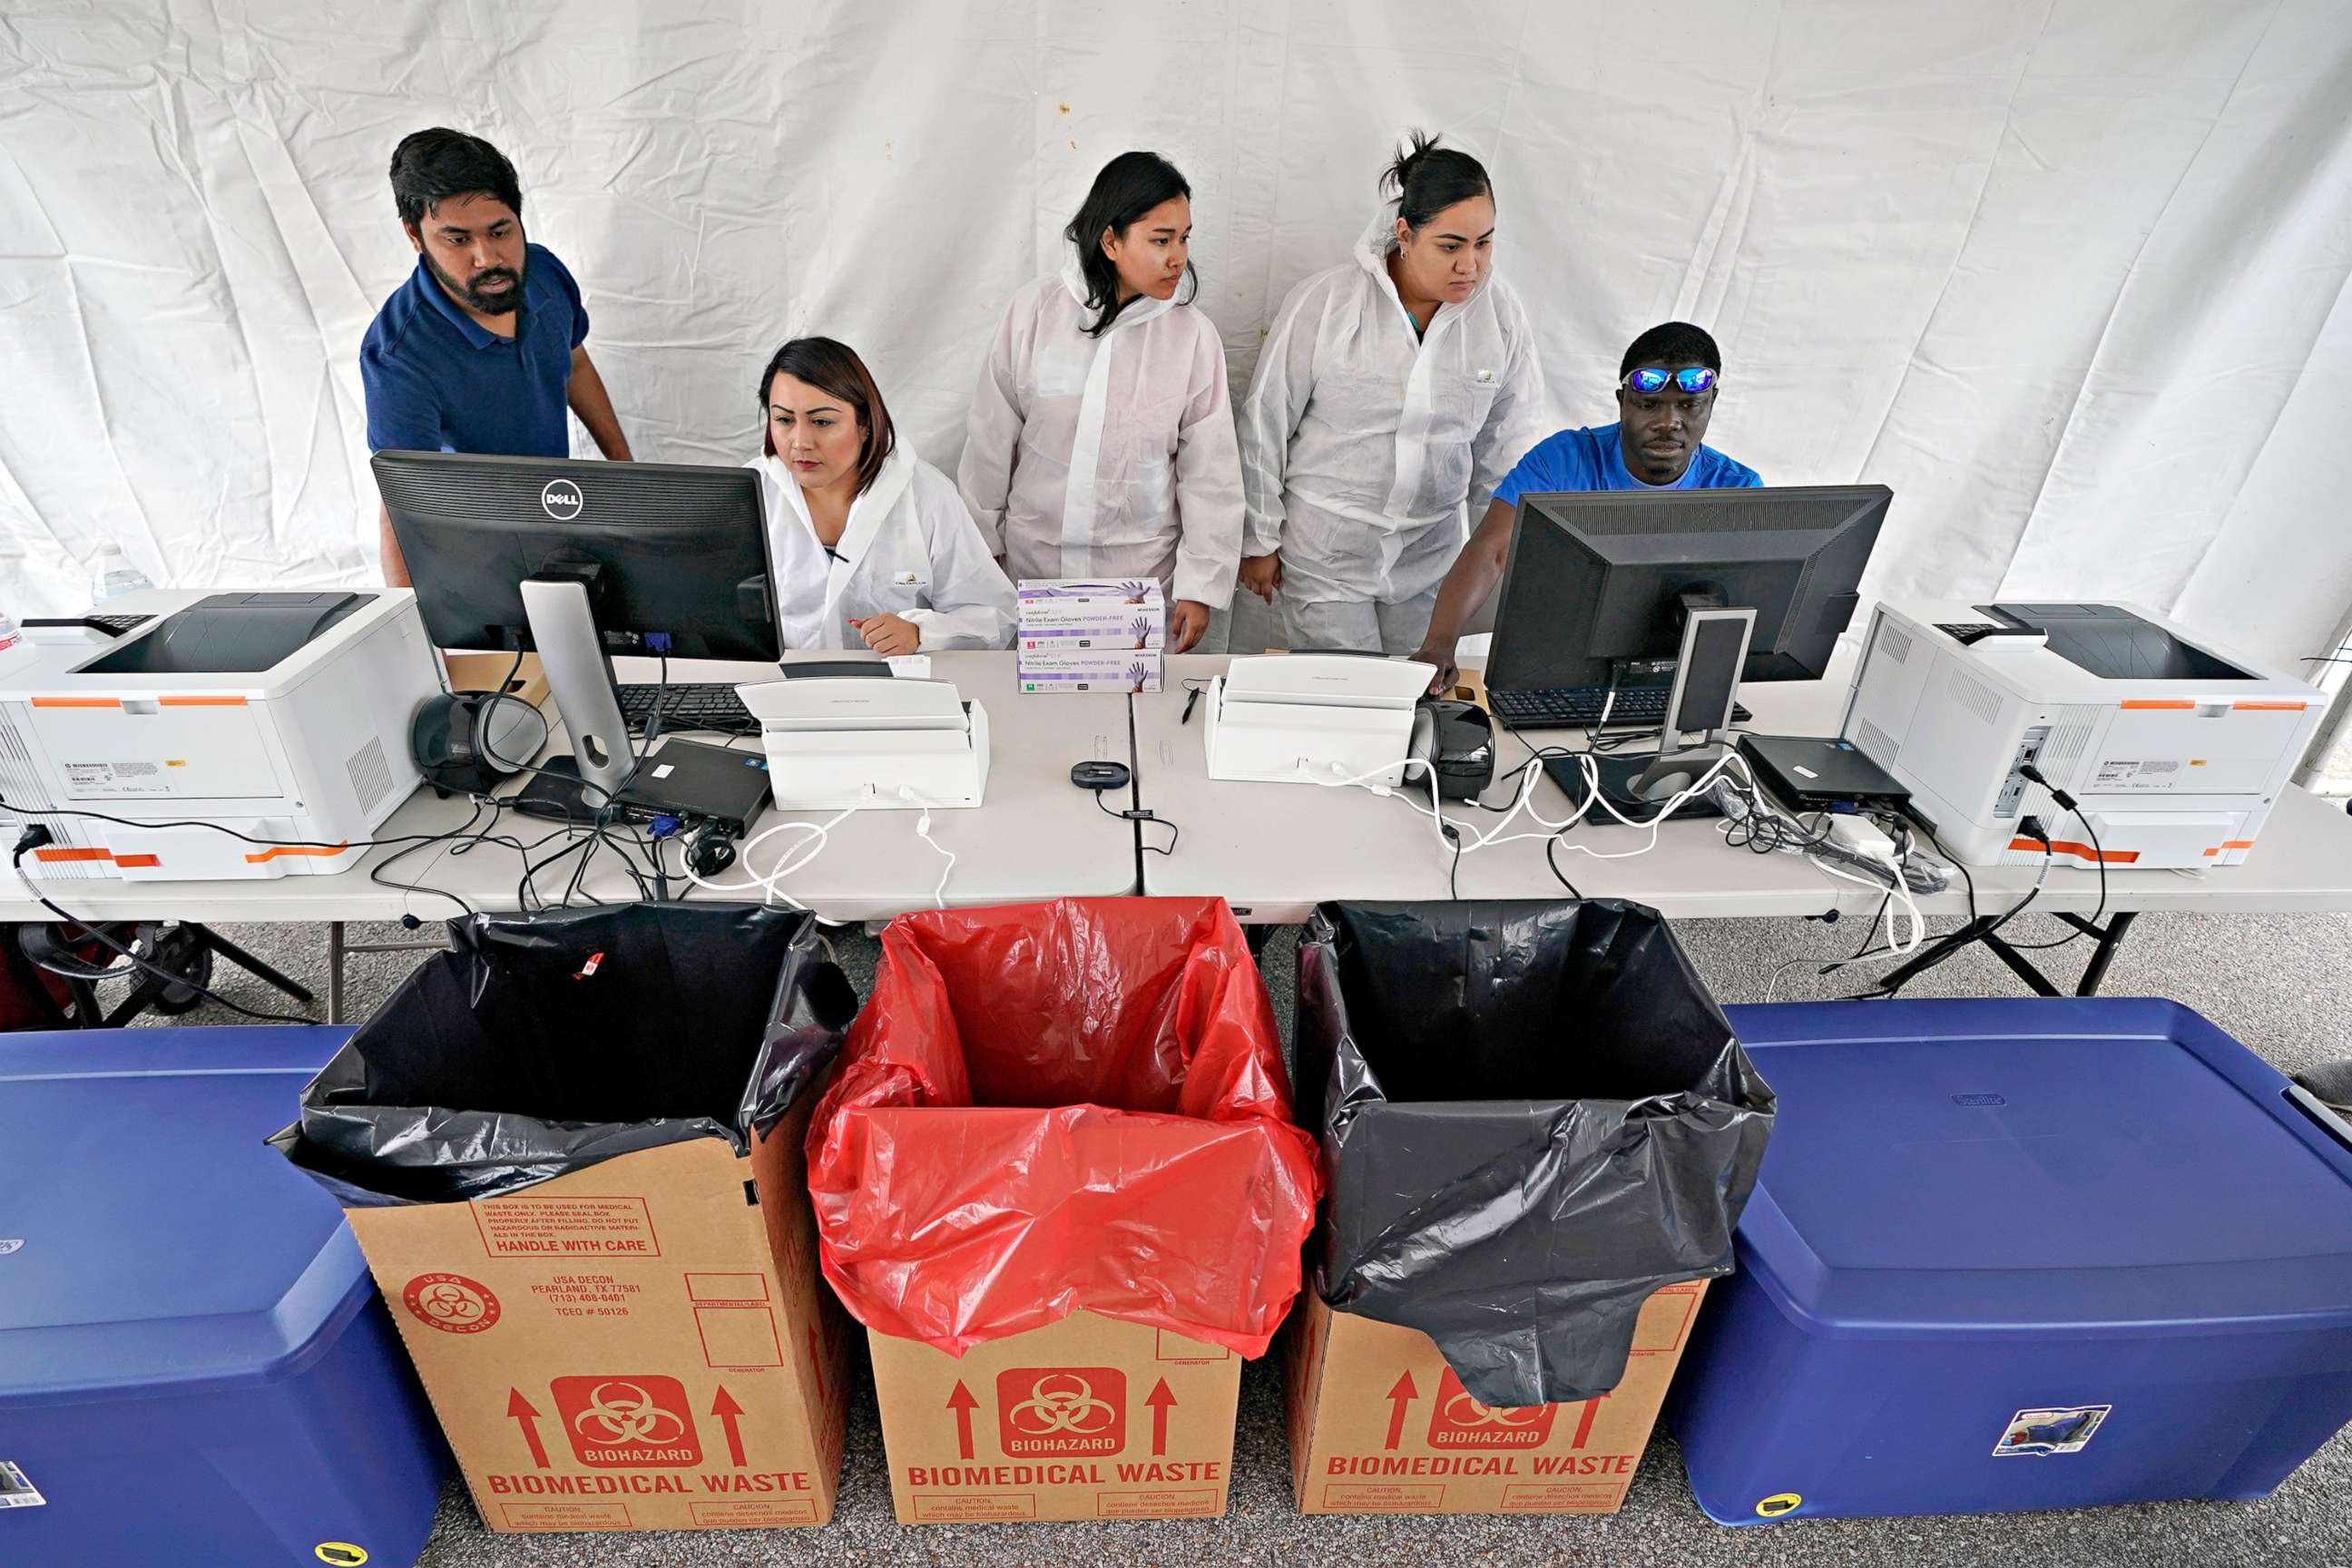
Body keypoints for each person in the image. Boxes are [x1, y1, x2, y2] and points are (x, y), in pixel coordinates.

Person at [1235, 132, 1546, 655]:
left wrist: (1506, 549)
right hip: (1326, 557)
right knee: (1347, 708)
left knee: (1415, 708)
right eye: (1450, 246)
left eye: (1484, 243)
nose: (1470, 265)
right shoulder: (1327, 303)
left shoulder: (1501, 316)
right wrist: (1259, 539)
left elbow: (1509, 441)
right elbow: (1265, 423)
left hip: (1431, 564)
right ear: (1405, 233)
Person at [958, 151, 1243, 652]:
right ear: (1110, 240)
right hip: (1034, 573)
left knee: (1132, 721)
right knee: (1036, 718)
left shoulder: (1191, 337)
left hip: (1140, 581)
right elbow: (990, 441)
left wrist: (1201, 586)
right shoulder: (1035, 313)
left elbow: (1210, 472)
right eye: (1160, 240)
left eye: (1183, 238)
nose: (1178, 256)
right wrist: (983, 556)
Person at [1412, 321, 1761, 689]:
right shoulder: (1564, 460)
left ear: (1711, 404)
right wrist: (1439, 645)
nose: (1668, 423)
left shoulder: (1737, 489)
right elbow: (1492, 550)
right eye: (1648, 405)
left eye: (1689, 406)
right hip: (1553, 675)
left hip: (1676, 683)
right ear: (1622, 402)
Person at [361, 128, 632, 585]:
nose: (487, 258)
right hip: (474, 556)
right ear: (415, 235)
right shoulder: (399, 355)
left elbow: (575, 363)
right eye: (457, 239)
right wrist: (420, 631)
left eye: (500, 231)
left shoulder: (543, 271)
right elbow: (402, 506)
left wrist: (626, 474)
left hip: (559, 517)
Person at [749, 337, 1014, 653]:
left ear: (865, 425)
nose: (800, 441)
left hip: (897, 692)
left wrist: (921, 633)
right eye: (784, 420)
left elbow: (994, 616)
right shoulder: (750, 495)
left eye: (822, 422)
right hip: (779, 693)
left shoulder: (926, 496)